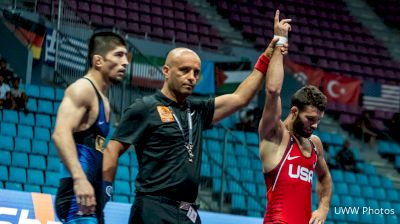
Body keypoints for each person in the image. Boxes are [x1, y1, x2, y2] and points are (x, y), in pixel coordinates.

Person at [102, 10, 289, 224]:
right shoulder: (145, 108)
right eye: (184, 70)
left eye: (196, 72)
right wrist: (105, 190)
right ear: (166, 71)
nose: (191, 77)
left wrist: (269, 52)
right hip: (153, 208)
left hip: (189, 213)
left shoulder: (197, 111)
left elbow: (240, 97)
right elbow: (112, 149)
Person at [258, 14, 332, 223]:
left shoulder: (315, 145)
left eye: (319, 119)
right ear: (293, 112)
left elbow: (325, 177)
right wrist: (280, 41)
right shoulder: (274, 135)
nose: (315, 125)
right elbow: (273, 90)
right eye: (310, 119)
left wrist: (323, 207)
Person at [52, 31, 128, 224]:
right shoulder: (82, 90)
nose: (125, 62)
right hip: (76, 197)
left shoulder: (104, 100)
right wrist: (80, 180)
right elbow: (61, 134)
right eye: (119, 55)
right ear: (98, 61)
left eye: (126, 56)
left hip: (90, 197)